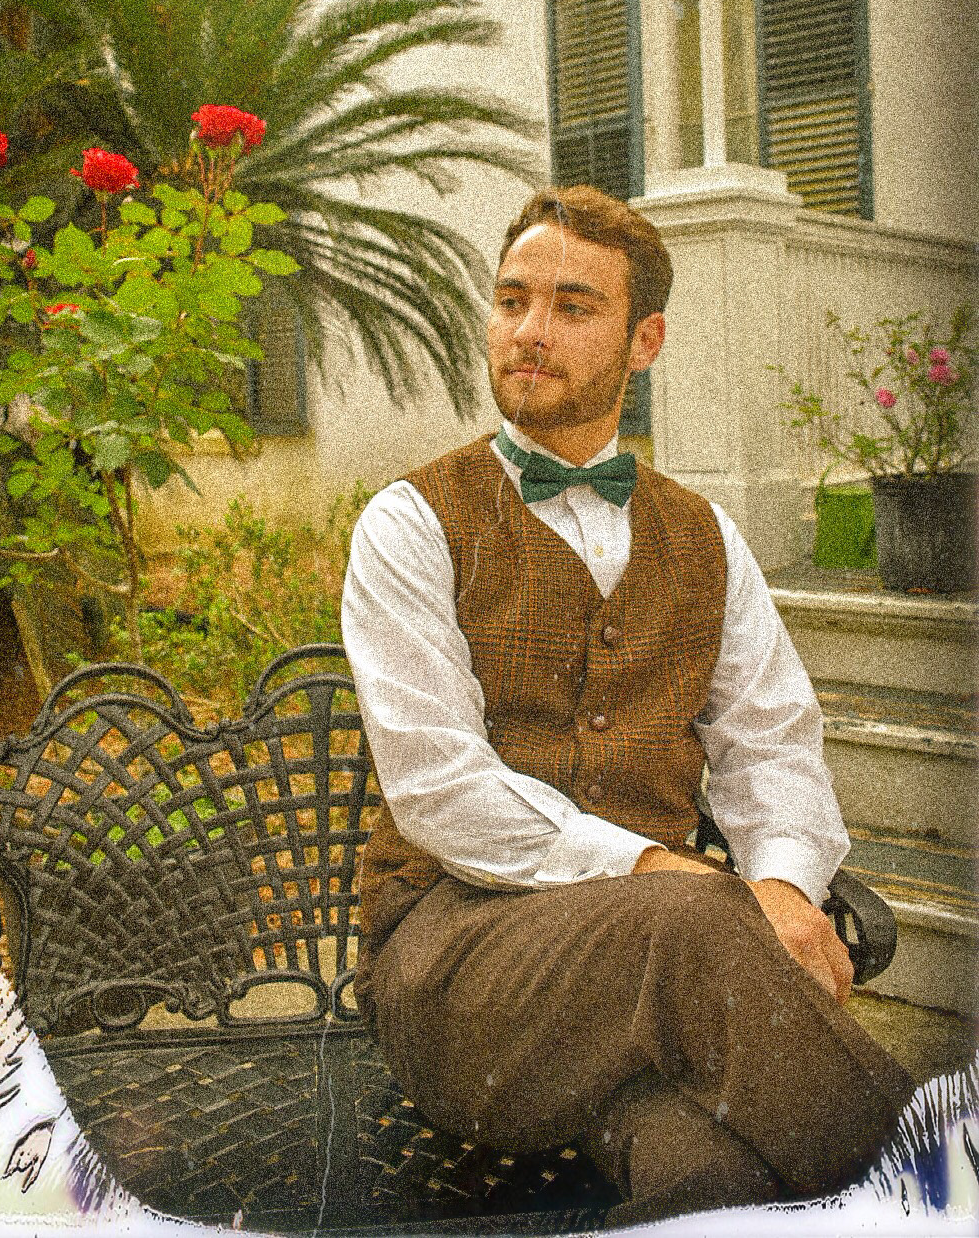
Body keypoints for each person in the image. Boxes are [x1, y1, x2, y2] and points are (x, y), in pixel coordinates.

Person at [341, 184, 913, 1221]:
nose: (530, 330)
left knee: (710, 1172)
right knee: (693, 918)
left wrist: (784, 888)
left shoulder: (705, 536)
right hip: (457, 970)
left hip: (653, 997)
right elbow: (441, 790)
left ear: (644, 341)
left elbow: (773, 747)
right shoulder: (410, 522)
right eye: (512, 300)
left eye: (572, 307)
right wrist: (666, 873)